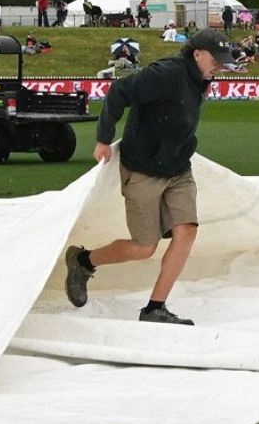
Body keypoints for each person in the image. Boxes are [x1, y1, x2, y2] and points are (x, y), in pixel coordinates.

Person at [63, 28, 234, 326]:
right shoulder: (165, 74)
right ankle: (82, 261)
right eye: (215, 59)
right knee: (144, 247)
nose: (220, 66)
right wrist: (103, 138)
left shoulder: (200, 78)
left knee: (187, 231)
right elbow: (119, 92)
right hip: (143, 169)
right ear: (196, 54)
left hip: (179, 169)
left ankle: (155, 308)